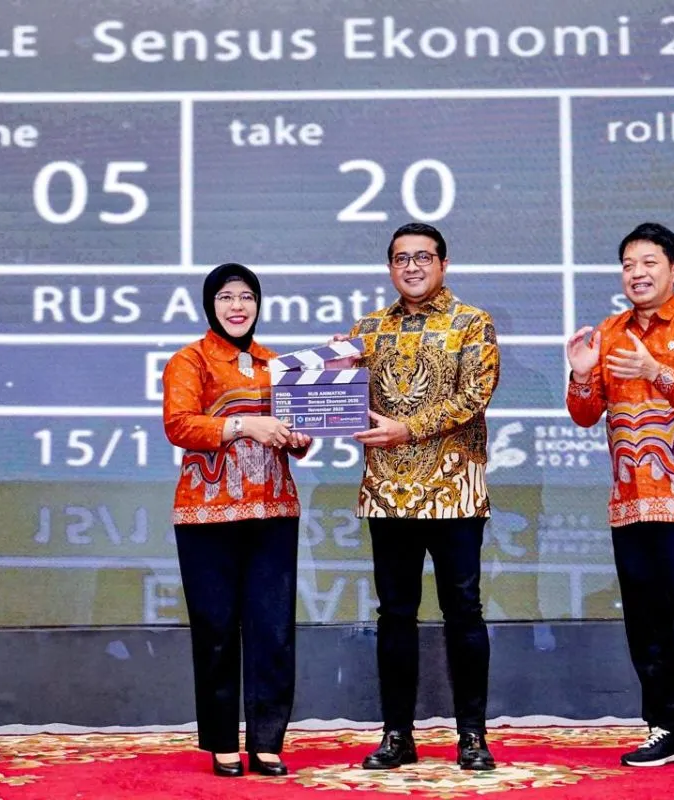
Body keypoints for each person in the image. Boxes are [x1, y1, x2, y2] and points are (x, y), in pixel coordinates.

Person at [565, 222, 674, 772]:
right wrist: (581, 376)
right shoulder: (609, 332)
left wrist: (656, 371)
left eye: (649, 263)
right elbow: (585, 416)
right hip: (631, 505)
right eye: (628, 265)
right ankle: (670, 727)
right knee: (645, 625)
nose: (637, 274)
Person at [339, 221, 501, 771]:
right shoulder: (366, 329)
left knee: (464, 612)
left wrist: (408, 429)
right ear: (390, 267)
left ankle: (472, 736)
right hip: (387, 493)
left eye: (423, 257)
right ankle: (397, 735)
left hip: (455, 491)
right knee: (394, 615)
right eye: (401, 258)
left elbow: (475, 394)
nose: (411, 267)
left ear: (443, 264)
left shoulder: (472, 322)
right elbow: (341, 400)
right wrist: (334, 371)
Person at [162, 263, 311, 778]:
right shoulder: (190, 360)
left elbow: (295, 433)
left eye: (246, 296)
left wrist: (297, 437)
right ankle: (223, 742)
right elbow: (179, 425)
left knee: (273, 631)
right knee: (217, 631)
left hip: (274, 510)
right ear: (211, 305)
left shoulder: (278, 364)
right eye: (226, 297)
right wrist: (247, 424)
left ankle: (268, 742)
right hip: (206, 516)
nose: (237, 306)